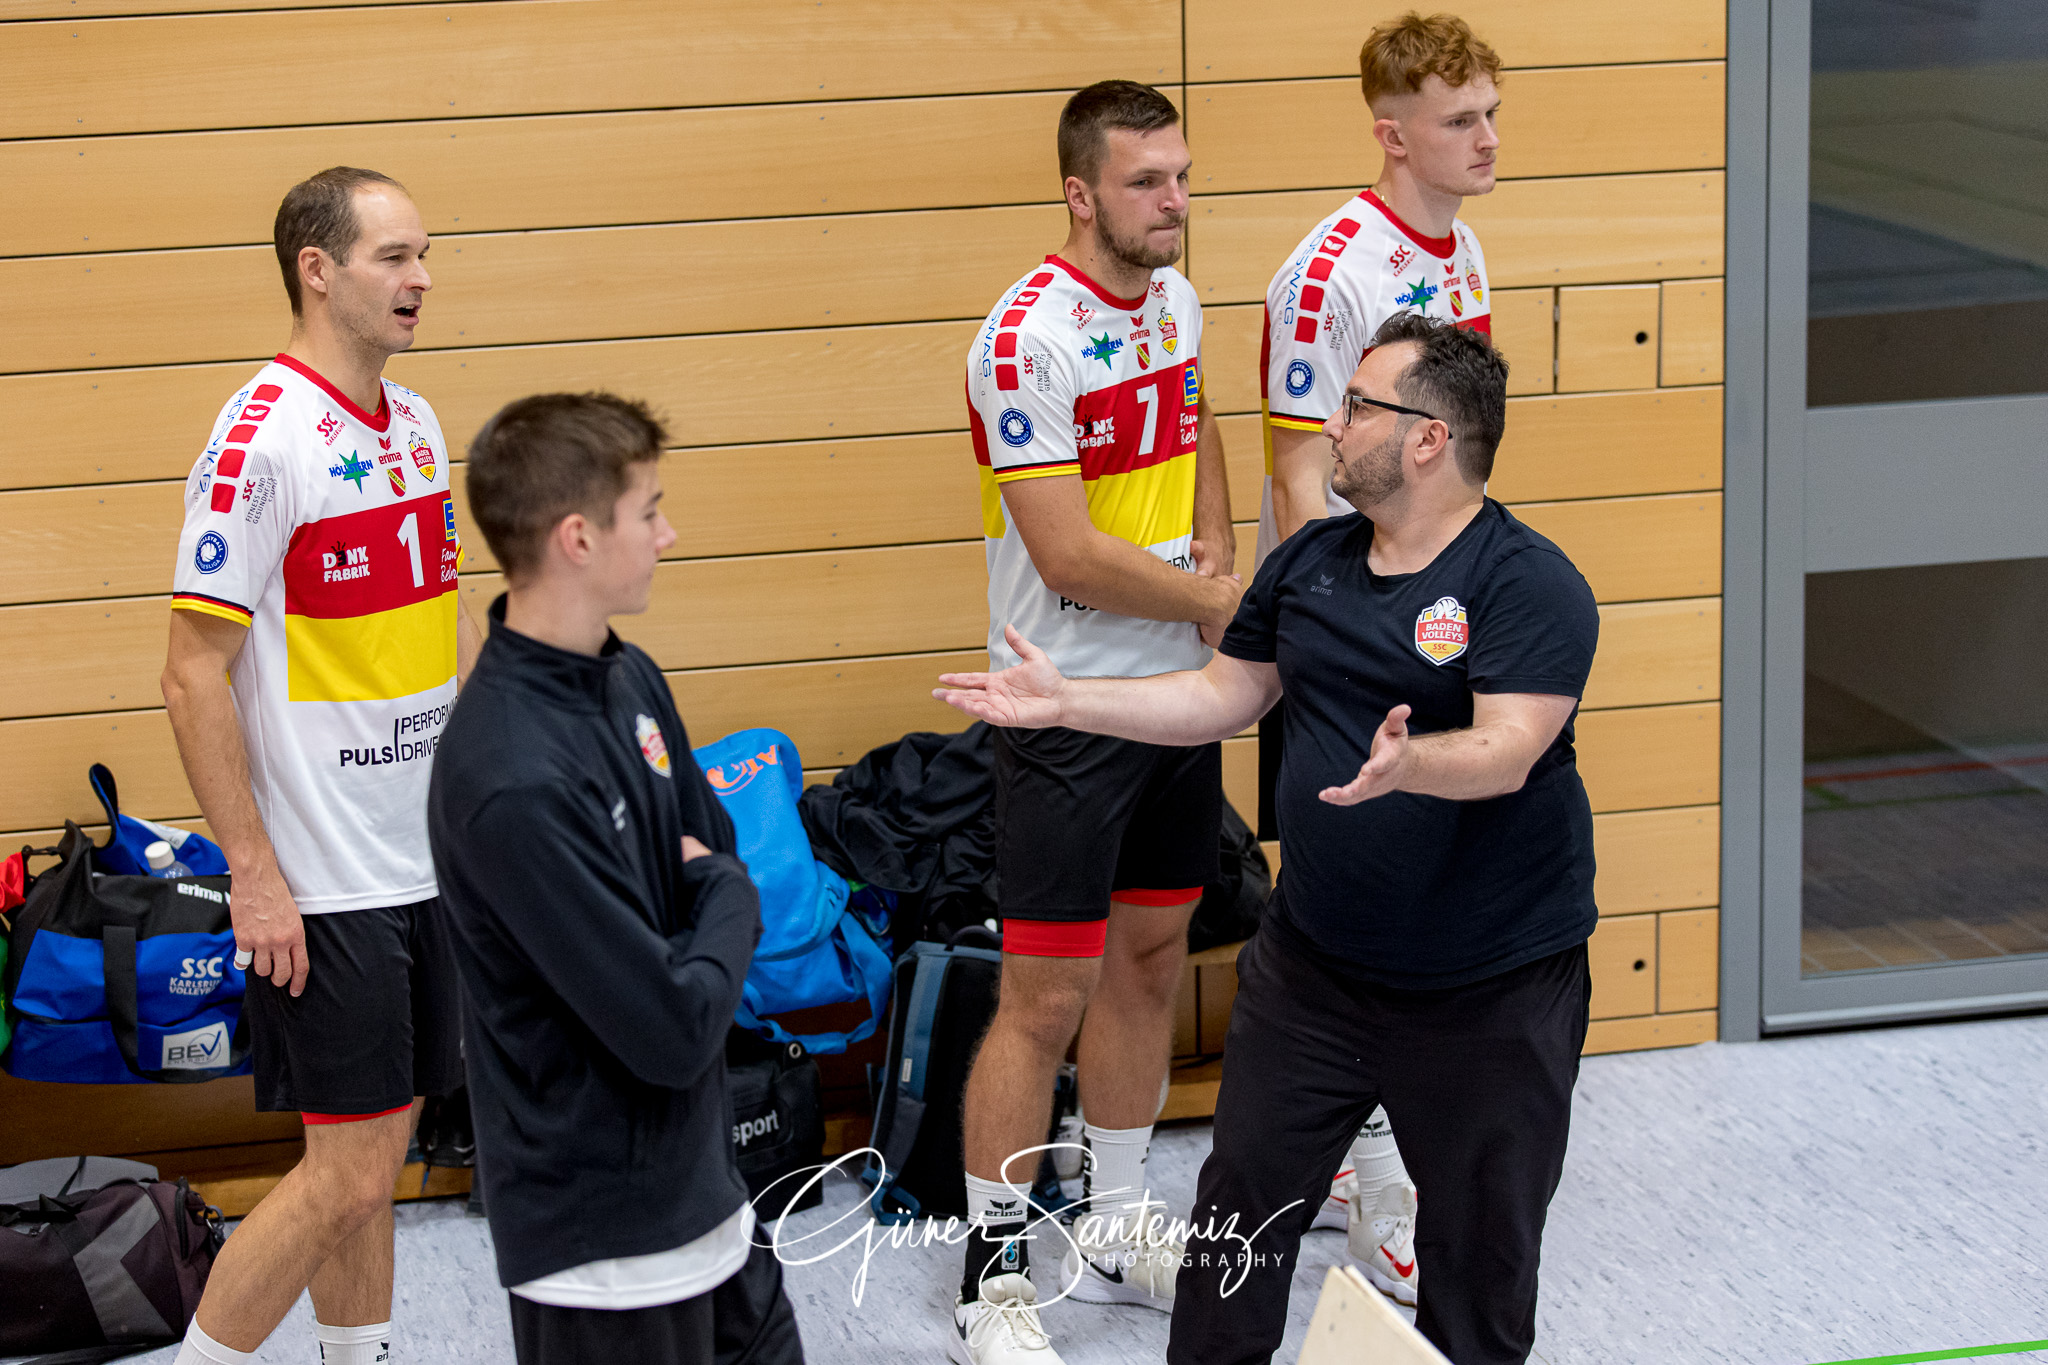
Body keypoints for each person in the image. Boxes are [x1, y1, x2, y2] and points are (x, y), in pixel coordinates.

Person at [938, 314, 1599, 1365]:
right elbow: (1218, 697)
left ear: (1428, 439)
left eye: (1359, 406)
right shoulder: (1310, 566)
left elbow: (1511, 747)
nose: (1331, 423)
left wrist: (1412, 764)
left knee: (1479, 1263)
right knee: (1233, 1236)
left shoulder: (1526, 581)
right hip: (1314, 973)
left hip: (1491, 987)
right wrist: (1071, 702)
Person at [161, 166, 479, 1365]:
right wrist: (253, 874)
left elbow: (444, 619)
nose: (421, 279)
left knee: (371, 1159)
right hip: (325, 883)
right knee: (347, 1170)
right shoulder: (258, 441)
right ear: (317, 270)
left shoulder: (417, 423)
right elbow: (190, 675)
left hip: (422, 859)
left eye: (424, 254)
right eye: (395, 257)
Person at [951, 79, 1241, 1365]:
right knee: (1042, 999)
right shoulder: (1023, 341)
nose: (1172, 201)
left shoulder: (1174, 298)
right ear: (1080, 193)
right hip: (1063, 707)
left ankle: (1118, 1219)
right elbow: (1065, 554)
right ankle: (991, 1281)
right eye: (1145, 182)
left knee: (1149, 958)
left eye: (1180, 177)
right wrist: (1221, 601)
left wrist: (1219, 553)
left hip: (1175, 697)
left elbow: (1198, 418)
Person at [426, 393, 803, 1365]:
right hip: (602, 1251)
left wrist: (709, 895)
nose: (666, 534)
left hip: (710, 1196)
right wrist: (730, 897)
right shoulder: (507, 777)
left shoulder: (626, 674)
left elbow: (710, 843)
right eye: (649, 511)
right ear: (579, 538)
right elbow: (672, 1024)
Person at [1252, 14, 1505, 1298]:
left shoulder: (1464, 250)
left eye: (1491, 113)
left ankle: (1389, 1168)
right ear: (1390, 133)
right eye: (1461, 120)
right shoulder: (1329, 273)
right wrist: (1355, 629)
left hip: (1446, 610)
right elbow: (1298, 471)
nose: (1487, 138)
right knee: (1345, 892)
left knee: (1435, 882)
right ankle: (1363, 1178)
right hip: (1355, 631)